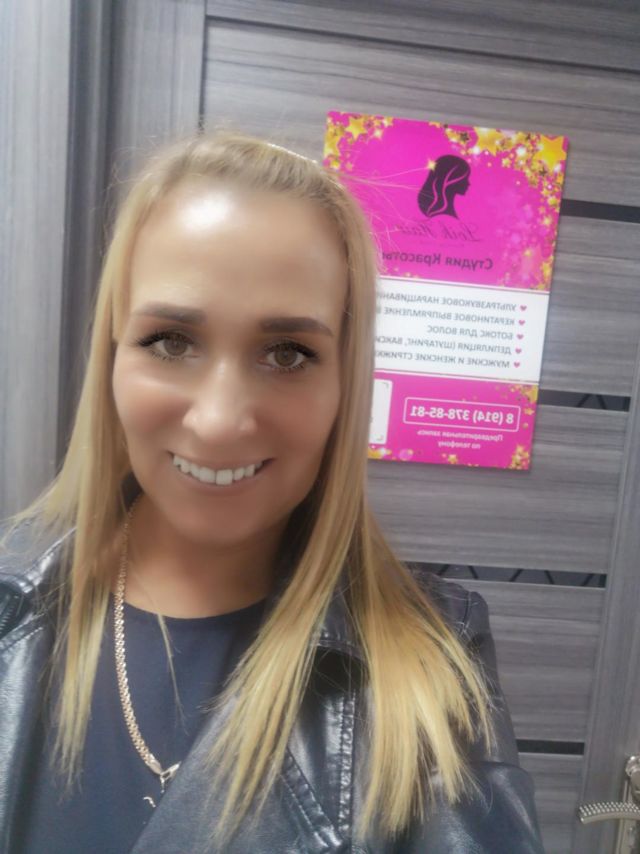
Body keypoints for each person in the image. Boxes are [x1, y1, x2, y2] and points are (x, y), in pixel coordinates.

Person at [0, 131, 545, 853]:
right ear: (112, 357)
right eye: (171, 341)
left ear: (344, 385)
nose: (219, 421)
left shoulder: (433, 672)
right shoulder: (12, 611)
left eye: (288, 353)